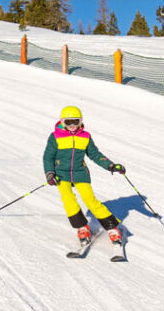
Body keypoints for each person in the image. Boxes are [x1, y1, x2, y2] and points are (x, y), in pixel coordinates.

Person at [43, 105, 126, 249]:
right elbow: (48, 157)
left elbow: (95, 154)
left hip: (80, 173)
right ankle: (82, 227)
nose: (73, 125)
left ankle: (112, 228)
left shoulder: (85, 137)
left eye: (76, 121)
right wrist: (50, 173)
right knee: (68, 200)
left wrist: (111, 165)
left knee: (90, 200)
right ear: (62, 122)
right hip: (61, 174)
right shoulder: (55, 136)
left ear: (81, 121)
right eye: (68, 122)